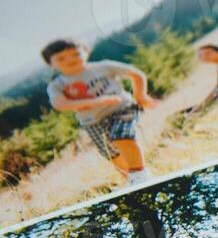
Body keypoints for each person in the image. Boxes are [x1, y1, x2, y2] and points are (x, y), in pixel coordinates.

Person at [42, 39, 159, 185]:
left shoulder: (103, 67)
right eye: (61, 58)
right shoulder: (57, 85)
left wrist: (141, 95)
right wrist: (96, 102)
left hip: (122, 108)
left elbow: (136, 74)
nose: (70, 59)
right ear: (51, 64)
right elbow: (60, 104)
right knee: (112, 154)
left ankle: (140, 173)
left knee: (121, 136)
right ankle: (131, 180)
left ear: (86, 51)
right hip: (92, 121)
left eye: (75, 54)